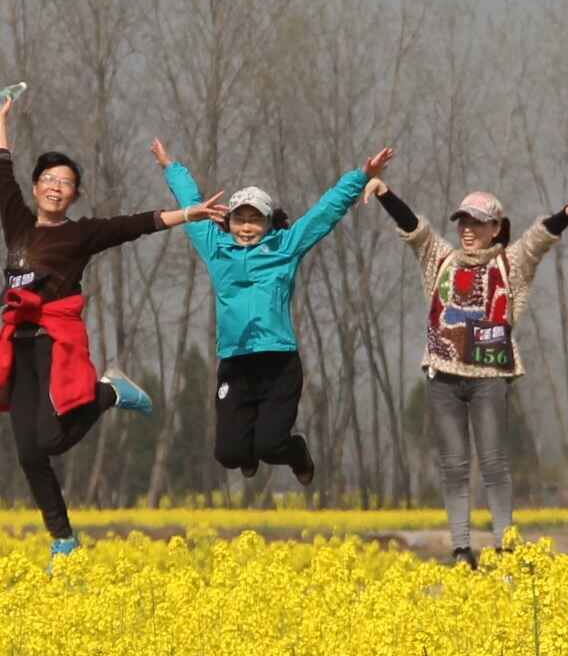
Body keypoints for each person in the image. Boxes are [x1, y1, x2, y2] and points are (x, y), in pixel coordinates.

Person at [0, 86, 222, 555]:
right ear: (36, 188)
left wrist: (188, 213)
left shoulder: (81, 233)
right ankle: (63, 541)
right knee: (29, 453)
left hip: (55, 339)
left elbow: (135, 224)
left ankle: (111, 391)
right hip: (19, 343)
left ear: (75, 194)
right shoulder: (18, 223)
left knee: (50, 439)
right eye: (48, 179)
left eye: (65, 181)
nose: (55, 186)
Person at [375, 178, 568, 565]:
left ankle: (506, 548)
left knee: (495, 464)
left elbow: (538, 239)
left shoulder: (509, 264)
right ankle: (462, 549)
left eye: (477, 223)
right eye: (463, 221)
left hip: (490, 378)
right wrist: (383, 193)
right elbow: (415, 229)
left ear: (496, 228)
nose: (467, 229)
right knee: (454, 467)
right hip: (443, 377)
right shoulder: (440, 258)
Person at [154, 137, 391, 488]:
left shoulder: (285, 247)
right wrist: (171, 168)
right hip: (235, 362)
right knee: (229, 454)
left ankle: (297, 452)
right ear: (228, 222)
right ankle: (245, 454)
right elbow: (190, 204)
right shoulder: (215, 248)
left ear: (268, 223)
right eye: (239, 220)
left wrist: (361, 176)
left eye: (255, 220)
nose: (246, 227)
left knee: (270, 444)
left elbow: (324, 213)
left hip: (278, 362)